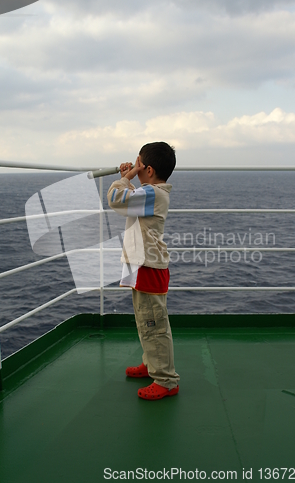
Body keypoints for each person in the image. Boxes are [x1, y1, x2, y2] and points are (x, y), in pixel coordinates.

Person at [107, 141, 180, 400]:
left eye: (139, 165)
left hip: (148, 267)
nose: (135, 169)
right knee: (146, 321)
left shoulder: (152, 194)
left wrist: (126, 177)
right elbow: (130, 199)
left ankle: (166, 380)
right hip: (144, 266)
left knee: (154, 325)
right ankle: (152, 364)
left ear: (148, 169)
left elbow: (116, 199)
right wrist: (130, 177)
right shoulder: (150, 193)